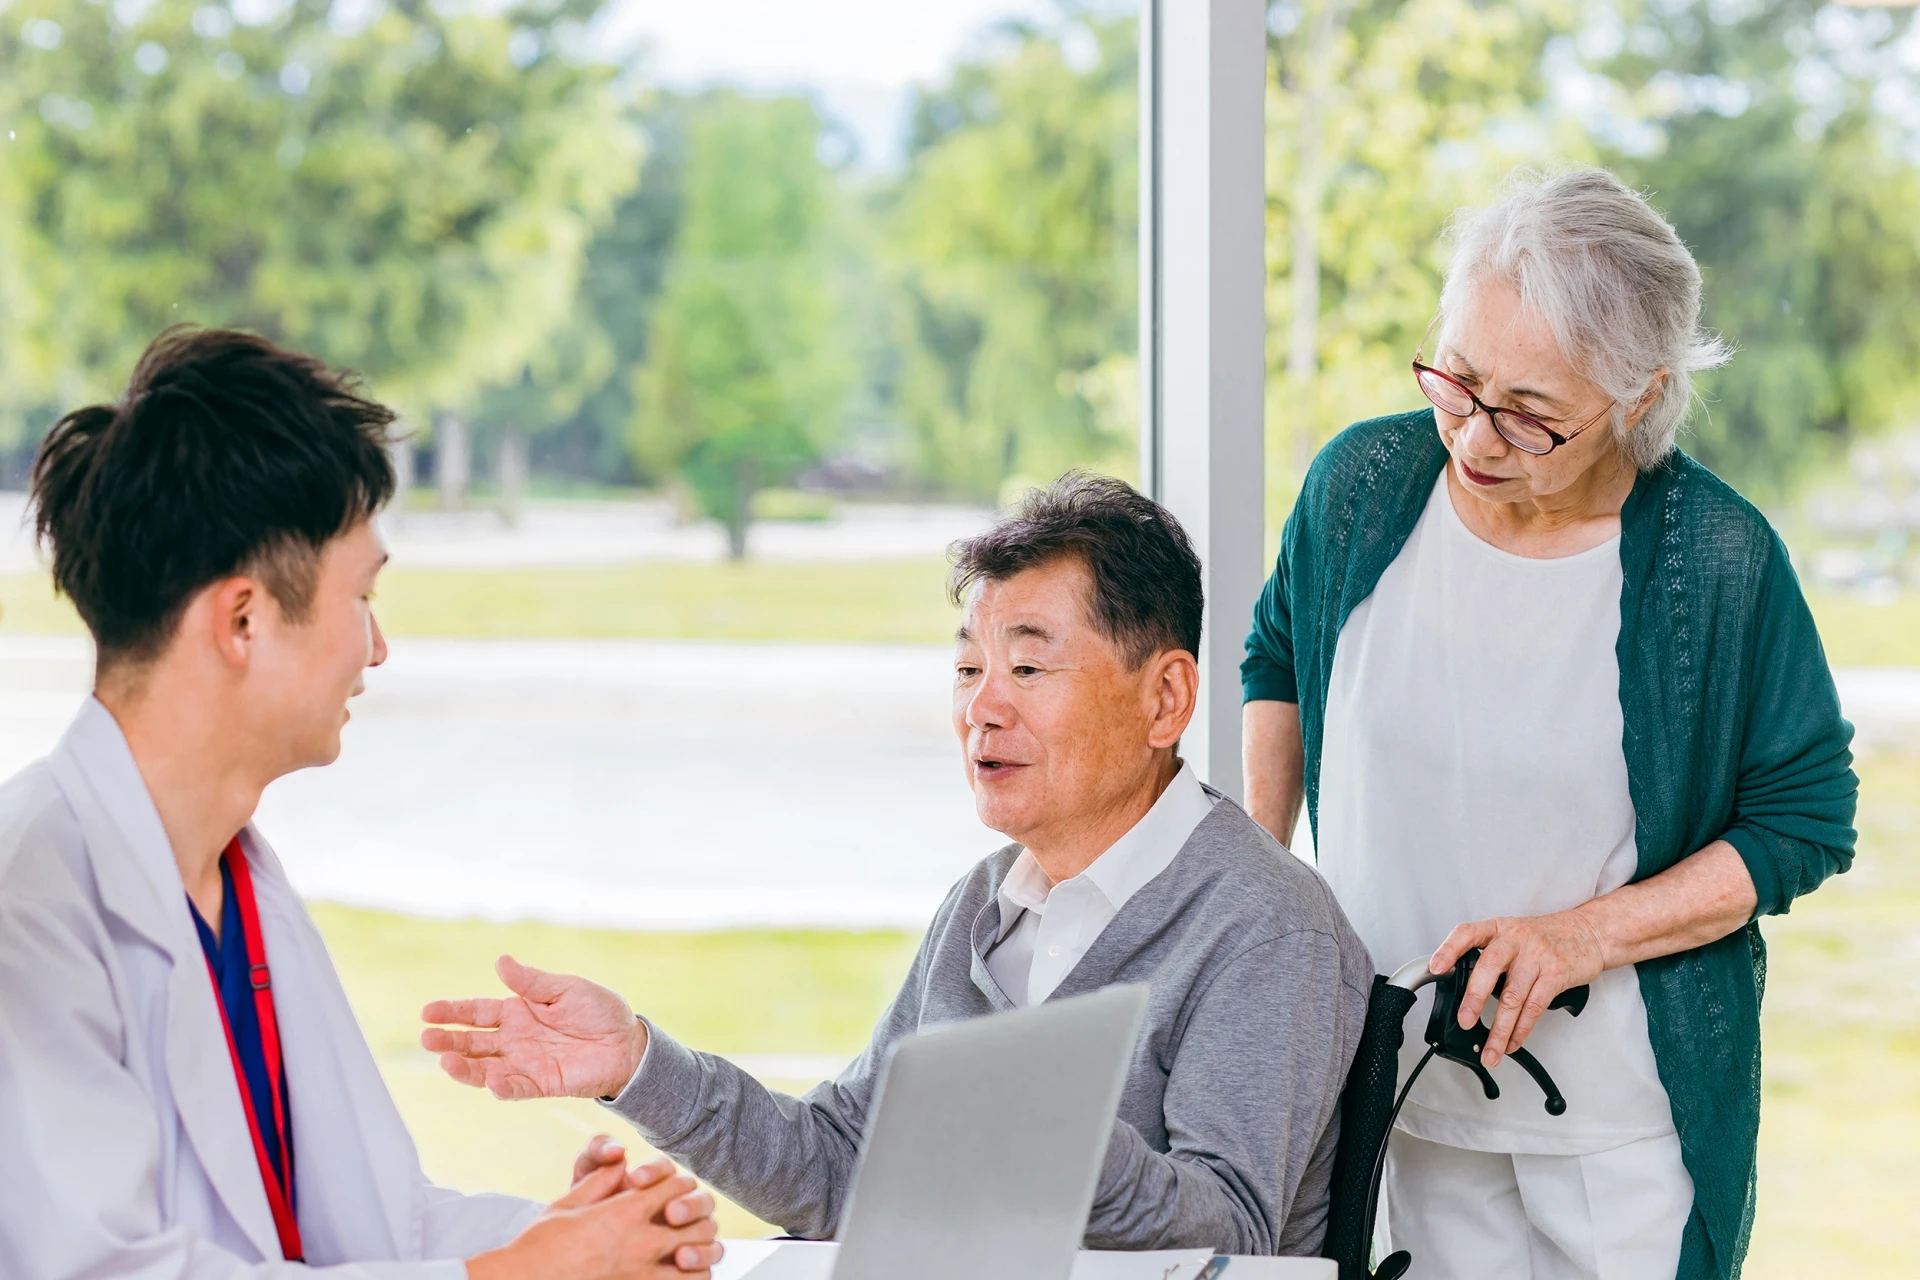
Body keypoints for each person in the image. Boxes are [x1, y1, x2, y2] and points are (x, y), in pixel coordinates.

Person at [421, 472, 1374, 1256]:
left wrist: (1043, 1125)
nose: (981, 710)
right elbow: (837, 1170)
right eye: (968, 670)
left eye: (1029, 669)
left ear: (1165, 700)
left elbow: (1234, 1235)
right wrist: (633, 1061)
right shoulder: (985, 906)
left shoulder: (1266, 923)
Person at [0, 327, 723, 1279]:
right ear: (244, 620)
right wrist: (525, 1272)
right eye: (362, 599)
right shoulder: (30, 896)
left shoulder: (239, 882)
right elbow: (104, 1272)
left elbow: (380, 1230)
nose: (376, 649)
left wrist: (574, 1236)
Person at [1241, 167, 1857, 1280]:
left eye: (1531, 415)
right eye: (1459, 380)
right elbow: (1278, 655)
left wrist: (1582, 935)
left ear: (1639, 395)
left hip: (1622, 1137)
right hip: (1400, 1115)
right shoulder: (1360, 488)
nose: (1475, 437)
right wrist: (1259, 878)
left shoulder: (1717, 563)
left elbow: (1804, 819)